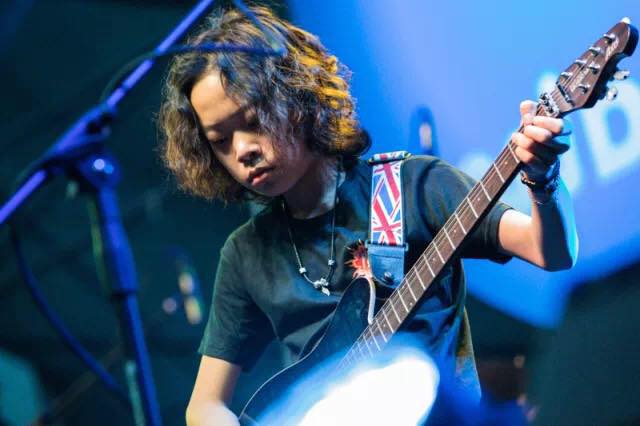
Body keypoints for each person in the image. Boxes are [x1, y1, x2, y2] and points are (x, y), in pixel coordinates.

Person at [158, 6, 578, 426]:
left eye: (252, 121)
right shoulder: (246, 253)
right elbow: (204, 406)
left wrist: (543, 179)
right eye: (220, 140)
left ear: (299, 97)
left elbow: (551, 253)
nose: (242, 150)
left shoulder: (414, 185)